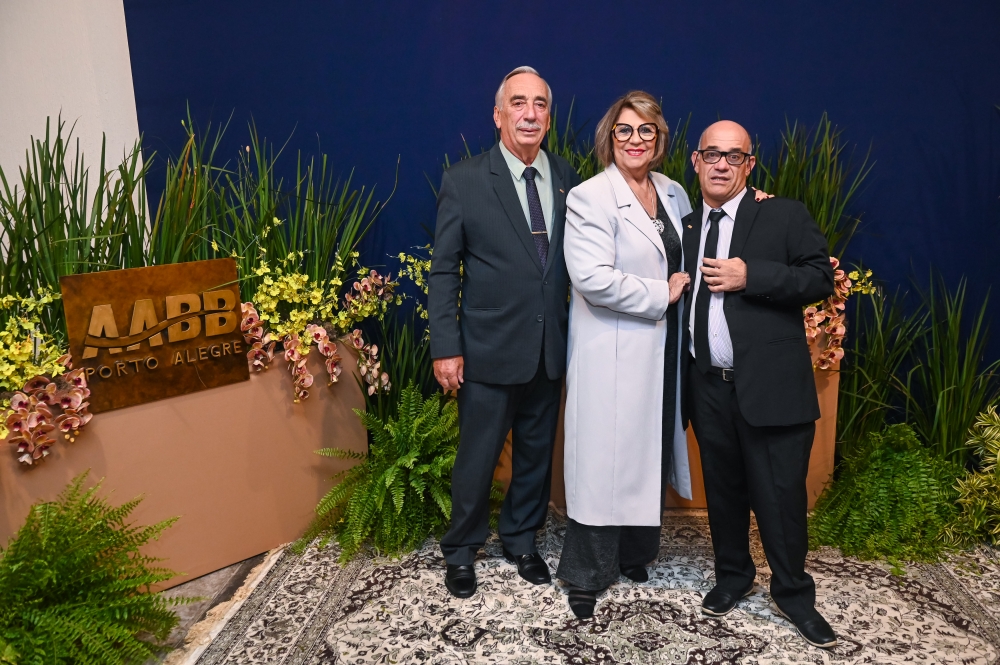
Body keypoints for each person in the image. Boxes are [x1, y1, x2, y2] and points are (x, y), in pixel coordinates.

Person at [681, 120, 838, 648]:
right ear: (696, 161)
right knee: (723, 491)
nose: (721, 164)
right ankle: (733, 576)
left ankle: (793, 595)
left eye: (734, 155)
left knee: (780, 497)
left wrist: (753, 277)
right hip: (707, 385)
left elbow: (819, 277)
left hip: (770, 389)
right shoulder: (685, 225)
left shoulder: (782, 214)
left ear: (749, 165)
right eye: (712, 154)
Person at [428, 66, 582, 599]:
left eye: (540, 104)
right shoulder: (465, 180)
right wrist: (446, 347)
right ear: (498, 115)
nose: (530, 114)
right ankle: (461, 549)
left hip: (548, 348)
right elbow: (444, 271)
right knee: (477, 458)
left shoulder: (566, 176)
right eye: (519, 103)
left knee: (536, 455)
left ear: (548, 118)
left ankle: (520, 539)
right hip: (487, 350)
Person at [556, 91, 698, 620]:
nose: (635, 140)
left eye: (646, 131)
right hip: (612, 351)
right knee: (605, 460)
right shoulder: (590, 197)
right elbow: (591, 279)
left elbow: (698, 244)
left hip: (662, 349)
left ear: (659, 139)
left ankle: (634, 554)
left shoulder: (673, 191)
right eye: (624, 130)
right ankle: (586, 574)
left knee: (650, 447)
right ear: (609, 138)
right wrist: (662, 292)